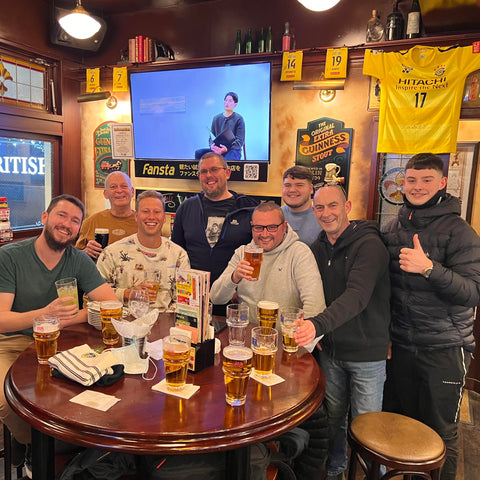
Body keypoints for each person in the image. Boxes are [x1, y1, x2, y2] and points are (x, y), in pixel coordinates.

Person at [0, 194, 118, 473]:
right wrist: (42, 315)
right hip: (13, 341)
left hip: (63, 342)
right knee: (5, 400)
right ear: (44, 217)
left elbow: (111, 304)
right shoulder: (10, 256)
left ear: (79, 229)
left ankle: (65, 452)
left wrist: (67, 319)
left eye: (75, 221)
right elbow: (1, 320)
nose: (67, 224)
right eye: (61, 216)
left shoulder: (78, 260)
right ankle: (32, 445)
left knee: (93, 393)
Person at [381, 153, 480, 480]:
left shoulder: (460, 231)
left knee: (440, 432)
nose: (417, 186)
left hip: (445, 350)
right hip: (401, 346)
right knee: (404, 423)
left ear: (441, 183)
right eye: (411, 180)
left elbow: (473, 292)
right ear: (402, 183)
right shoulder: (393, 227)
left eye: (426, 180)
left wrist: (430, 269)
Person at [295, 184, 391, 480]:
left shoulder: (369, 245)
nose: (327, 213)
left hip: (366, 354)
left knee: (367, 427)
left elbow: (357, 296)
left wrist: (316, 326)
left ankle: (375, 475)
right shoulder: (317, 247)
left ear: (347, 207)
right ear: (313, 211)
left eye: (333, 206)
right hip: (331, 352)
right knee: (333, 420)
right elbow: (312, 294)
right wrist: (306, 319)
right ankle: (336, 470)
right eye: (320, 208)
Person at [210, 201, 326, 326]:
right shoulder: (243, 252)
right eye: (259, 228)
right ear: (252, 227)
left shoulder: (299, 253)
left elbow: (315, 307)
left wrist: (301, 340)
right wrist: (234, 277)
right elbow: (216, 298)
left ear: (284, 226)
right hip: (247, 335)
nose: (265, 234)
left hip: (283, 339)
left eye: (272, 227)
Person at [171, 152, 257, 313]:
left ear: (227, 173)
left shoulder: (248, 208)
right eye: (203, 171)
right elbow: (176, 254)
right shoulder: (186, 208)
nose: (209, 175)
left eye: (214, 169)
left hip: (234, 300)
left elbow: (258, 253)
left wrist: (241, 288)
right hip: (193, 299)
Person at [97, 190, 190, 311]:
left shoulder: (179, 255)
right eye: (145, 211)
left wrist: (165, 323)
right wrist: (127, 294)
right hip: (123, 322)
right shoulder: (111, 253)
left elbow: (184, 301)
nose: (151, 217)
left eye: (157, 212)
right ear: (136, 216)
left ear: (164, 217)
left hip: (165, 324)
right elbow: (96, 294)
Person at [76, 171, 138, 261]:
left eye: (124, 186)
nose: (119, 190)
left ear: (132, 191)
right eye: (113, 187)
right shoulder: (91, 222)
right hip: (98, 274)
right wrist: (85, 252)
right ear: (105, 193)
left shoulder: (142, 222)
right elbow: (76, 259)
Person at [195, 92, 245, 161]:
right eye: (226, 100)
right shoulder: (216, 118)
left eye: (230, 101)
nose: (227, 102)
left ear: (235, 104)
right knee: (198, 153)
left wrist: (226, 149)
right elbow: (211, 137)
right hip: (217, 149)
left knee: (228, 159)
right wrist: (212, 146)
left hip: (232, 150)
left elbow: (240, 141)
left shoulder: (239, 119)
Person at [281, 165, 322, 246]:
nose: (292, 190)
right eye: (288, 185)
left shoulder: (323, 217)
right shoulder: (275, 215)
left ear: (311, 189)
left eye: (299, 185)